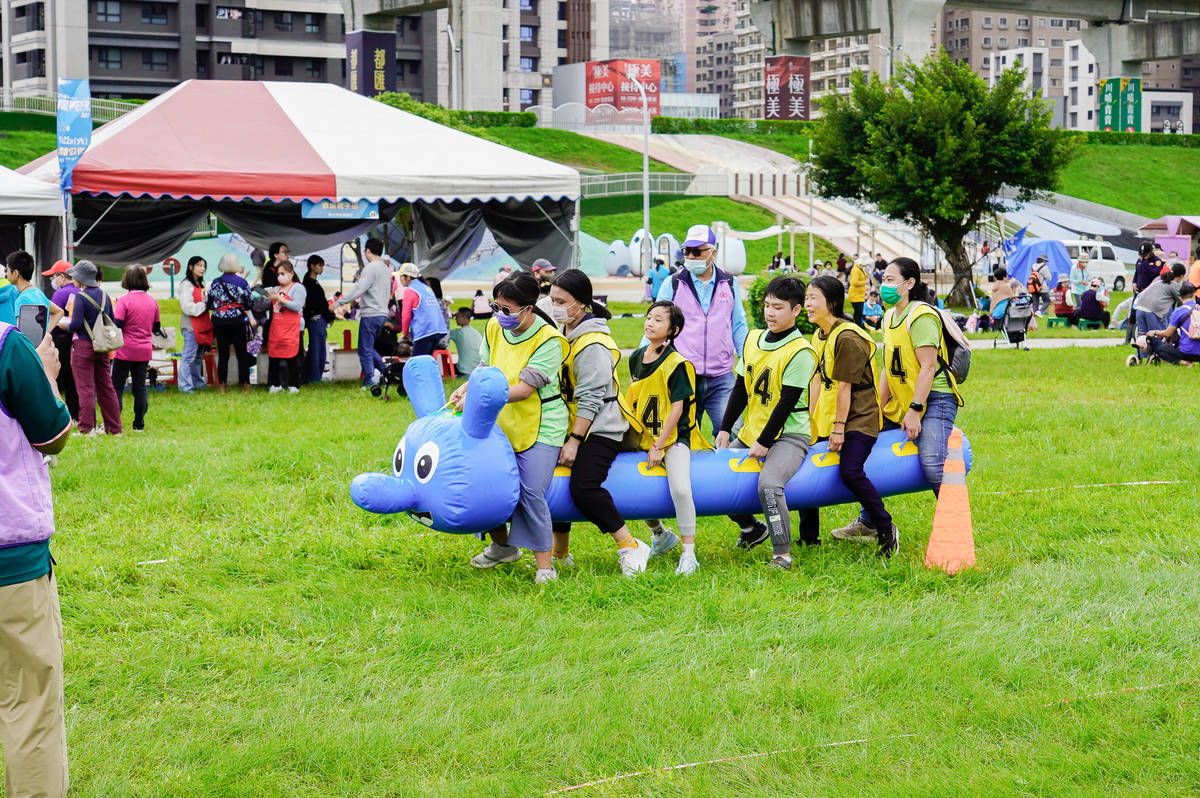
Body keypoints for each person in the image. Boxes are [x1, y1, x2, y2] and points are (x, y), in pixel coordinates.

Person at [832, 257, 965, 544]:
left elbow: (928, 367)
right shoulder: (890, 316)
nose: (884, 286)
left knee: (931, 463)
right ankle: (868, 522)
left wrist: (916, 410)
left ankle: (955, 530)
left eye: (891, 280)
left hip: (934, 399)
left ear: (910, 283)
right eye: (884, 279)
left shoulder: (922, 316)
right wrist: (876, 410)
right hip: (903, 401)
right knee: (865, 446)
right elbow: (889, 368)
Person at [448, 271, 567, 584]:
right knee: (487, 481)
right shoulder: (493, 327)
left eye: (507, 310)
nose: (499, 314)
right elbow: (485, 369)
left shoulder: (550, 340)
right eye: (495, 306)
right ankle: (502, 547)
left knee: (530, 492)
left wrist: (478, 395)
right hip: (499, 417)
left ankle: (545, 567)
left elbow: (526, 390)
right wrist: (467, 387)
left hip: (541, 423)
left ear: (528, 309)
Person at [0, 315, 73, 798]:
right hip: (11, 564)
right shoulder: (7, 345)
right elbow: (52, 434)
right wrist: (47, 375)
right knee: (30, 701)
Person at [546, 269, 652, 576]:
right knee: (556, 479)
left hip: (602, 427)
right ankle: (560, 552)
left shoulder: (592, 343)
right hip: (573, 423)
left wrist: (574, 442)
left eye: (561, 300)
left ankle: (630, 545)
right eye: (552, 299)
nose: (555, 305)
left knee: (584, 487)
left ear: (581, 304)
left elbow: (591, 399)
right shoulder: (567, 332)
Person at [715, 276, 817, 569]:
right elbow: (740, 388)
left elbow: (786, 404)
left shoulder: (801, 351)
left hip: (788, 436)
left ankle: (782, 553)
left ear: (796, 311)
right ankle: (751, 529)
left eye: (778, 307)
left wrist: (763, 442)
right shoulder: (752, 338)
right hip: (751, 431)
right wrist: (725, 428)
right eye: (767, 305)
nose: (770, 313)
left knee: (769, 486)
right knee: (722, 482)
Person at [805, 276, 898, 557]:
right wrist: (806, 420)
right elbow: (817, 383)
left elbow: (845, 387)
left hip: (859, 419)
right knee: (804, 469)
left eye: (813, 299)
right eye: (806, 298)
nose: (807, 304)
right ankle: (809, 539)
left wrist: (838, 429)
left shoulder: (847, 337)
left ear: (831, 303)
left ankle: (884, 527)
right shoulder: (819, 335)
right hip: (829, 418)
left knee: (850, 471)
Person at [626, 301, 711, 575]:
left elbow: (677, 408)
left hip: (674, 438)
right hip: (644, 436)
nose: (650, 322)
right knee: (634, 486)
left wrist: (659, 446)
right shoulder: (636, 357)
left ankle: (689, 554)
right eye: (649, 317)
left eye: (658, 320)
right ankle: (660, 534)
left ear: (672, 330)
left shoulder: (677, 363)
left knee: (681, 489)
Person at [653, 224, 749, 437]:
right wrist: (645, 361)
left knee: (733, 432)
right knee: (680, 435)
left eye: (697, 252)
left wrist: (746, 361)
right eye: (687, 251)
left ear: (713, 253)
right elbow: (656, 323)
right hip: (684, 376)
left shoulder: (729, 282)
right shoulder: (674, 283)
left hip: (722, 377)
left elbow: (738, 325)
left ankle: (728, 471)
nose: (691, 257)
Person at [64, 260, 122, 435]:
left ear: (80, 277)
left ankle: (87, 428)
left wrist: (63, 326)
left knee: (86, 389)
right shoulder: (105, 295)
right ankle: (114, 428)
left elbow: (74, 325)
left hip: (82, 346)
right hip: (102, 346)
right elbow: (111, 319)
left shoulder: (81, 297)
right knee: (106, 387)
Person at [110, 265, 161, 432]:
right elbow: (156, 327)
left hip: (124, 349)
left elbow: (118, 324)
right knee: (140, 387)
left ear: (127, 280)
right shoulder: (152, 302)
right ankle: (139, 424)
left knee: (117, 386)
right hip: (144, 350)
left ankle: (115, 422)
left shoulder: (124, 301)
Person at [335, 238, 390, 388]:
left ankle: (370, 380)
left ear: (367, 251)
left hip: (371, 314)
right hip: (382, 314)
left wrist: (338, 303)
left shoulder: (371, 268)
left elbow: (359, 289)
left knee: (364, 350)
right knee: (367, 347)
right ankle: (386, 373)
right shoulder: (386, 269)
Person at [207, 253, 256, 393]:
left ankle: (222, 386)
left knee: (223, 354)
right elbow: (249, 303)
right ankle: (245, 385)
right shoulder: (241, 282)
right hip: (237, 321)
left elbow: (209, 304)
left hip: (220, 322)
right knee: (241, 354)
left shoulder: (216, 282)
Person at [45, 261, 79, 420]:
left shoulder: (60, 294)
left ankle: (56, 415)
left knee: (56, 378)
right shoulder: (81, 290)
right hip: (79, 341)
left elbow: (52, 317)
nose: (53, 280)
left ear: (62, 276)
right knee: (74, 379)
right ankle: (75, 415)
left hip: (61, 340)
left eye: (54, 276)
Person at [265, 260, 305, 394]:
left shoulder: (298, 288)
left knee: (292, 357)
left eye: (283, 273)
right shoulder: (276, 289)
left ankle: (294, 385)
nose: (280, 276)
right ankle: (274, 384)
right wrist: (266, 297)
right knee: (274, 356)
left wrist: (280, 300)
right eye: (278, 274)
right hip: (276, 328)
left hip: (292, 328)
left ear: (291, 273)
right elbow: (268, 306)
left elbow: (297, 306)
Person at [1133, 262, 1186, 360]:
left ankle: (1141, 357)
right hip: (1153, 311)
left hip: (1139, 307)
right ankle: (1160, 357)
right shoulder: (1175, 285)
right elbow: (1184, 302)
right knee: (1157, 335)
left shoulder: (1159, 278)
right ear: (1182, 276)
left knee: (1142, 335)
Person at [395, 262, 449, 358]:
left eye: (401, 276)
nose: (399, 279)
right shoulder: (426, 288)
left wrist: (404, 333)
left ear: (408, 277)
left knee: (418, 361)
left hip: (424, 332)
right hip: (437, 330)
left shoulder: (410, 290)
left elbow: (406, 316)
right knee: (427, 360)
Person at [178, 256, 211, 394]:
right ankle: (185, 386)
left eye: (204, 266)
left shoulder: (200, 284)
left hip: (201, 324)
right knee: (188, 357)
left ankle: (197, 383)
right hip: (191, 325)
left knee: (197, 357)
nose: (202, 268)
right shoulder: (186, 285)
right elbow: (187, 307)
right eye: (199, 265)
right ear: (191, 267)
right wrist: (204, 305)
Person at [7, 251, 64, 332]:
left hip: (30, 344)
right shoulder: (38, 292)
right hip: (41, 344)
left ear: (16, 273)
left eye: (7, 270)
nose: (6, 274)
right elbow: (59, 312)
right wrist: (46, 333)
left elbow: (22, 335)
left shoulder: (22, 299)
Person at [1143, 283, 1200, 364]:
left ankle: (1184, 362)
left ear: (1180, 298)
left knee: (1161, 350)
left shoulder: (1178, 311)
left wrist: (1155, 332)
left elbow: (1168, 333)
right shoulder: (1198, 308)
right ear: (1194, 296)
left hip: (1186, 352)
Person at [301, 254, 335, 384]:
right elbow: (319, 304)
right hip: (316, 320)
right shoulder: (310, 284)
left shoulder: (310, 282)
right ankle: (314, 377)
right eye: (319, 265)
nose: (322, 268)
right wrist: (329, 315)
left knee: (317, 349)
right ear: (312, 266)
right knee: (317, 350)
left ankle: (310, 376)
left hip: (318, 319)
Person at [447, 306, 483, 377]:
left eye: (457, 316)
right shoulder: (476, 333)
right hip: (478, 369)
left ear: (463, 318)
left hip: (464, 371)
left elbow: (444, 336)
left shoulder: (459, 333)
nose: (455, 319)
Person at [847, 256, 868, 325]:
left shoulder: (860, 268)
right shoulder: (856, 269)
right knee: (858, 312)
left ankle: (857, 326)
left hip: (860, 294)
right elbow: (854, 282)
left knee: (858, 312)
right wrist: (865, 282)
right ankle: (857, 326)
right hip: (855, 295)